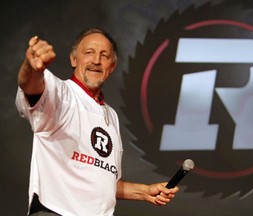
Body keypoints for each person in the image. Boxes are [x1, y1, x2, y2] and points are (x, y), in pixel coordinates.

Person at [15, 27, 179, 216]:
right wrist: (31, 67)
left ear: (112, 66)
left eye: (104, 55)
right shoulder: (59, 94)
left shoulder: (111, 116)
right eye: (89, 53)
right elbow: (31, 85)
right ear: (73, 59)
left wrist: (145, 192)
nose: (96, 61)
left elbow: (105, 180)